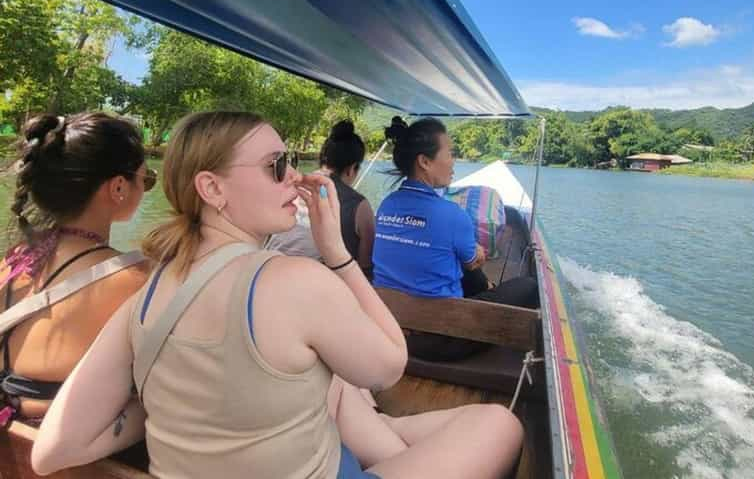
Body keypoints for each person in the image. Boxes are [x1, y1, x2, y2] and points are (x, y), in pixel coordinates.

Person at [32, 111, 523, 479]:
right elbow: (390, 364)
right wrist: (338, 256)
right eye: (276, 165)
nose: (295, 176)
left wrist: (173, 408)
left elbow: (52, 450)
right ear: (212, 188)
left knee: (355, 407)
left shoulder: (149, 289)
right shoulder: (294, 281)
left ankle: (384, 447)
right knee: (499, 425)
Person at [0, 113, 153, 425]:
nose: (146, 185)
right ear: (119, 187)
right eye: (146, 178)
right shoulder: (137, 278)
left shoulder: (14, 258)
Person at [372, 117, 538, 361]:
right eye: (449, 153)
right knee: (528, 286)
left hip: (389, 325)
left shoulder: (386, 205)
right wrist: (477, 253)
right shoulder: (452, 214)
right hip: (442, 338)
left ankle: (484, 288)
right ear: (425, 162)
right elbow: (472, 262)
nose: (454, 161)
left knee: (451, 260)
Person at [267, 120, 375, 278]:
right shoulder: (358, 204)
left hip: (270, 270)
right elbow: (366, 266)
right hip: (316, 284)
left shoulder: (292, 184)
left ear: (323, 158)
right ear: (352, 169)